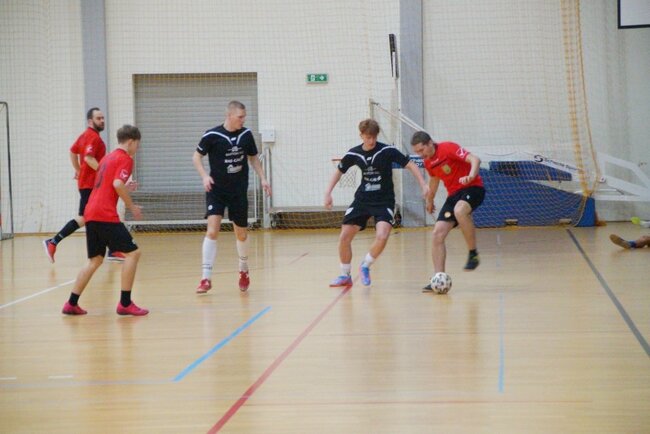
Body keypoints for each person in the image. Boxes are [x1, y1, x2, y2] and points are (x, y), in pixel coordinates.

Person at [325, 119, 429, 288]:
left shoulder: (387, 151)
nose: (371, 140)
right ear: (361, 136)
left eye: (374, 137)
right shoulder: (354, 153)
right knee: (344, 237)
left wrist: (423, 184)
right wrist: (328, 193)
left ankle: (365, 265)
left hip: (384, 201)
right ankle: (345, 275)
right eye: (368, 137)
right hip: (362, 200)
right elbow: (339, 171)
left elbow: (410, 164)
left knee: (382, 235)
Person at [62, 125, 147, 315]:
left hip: (91, 212)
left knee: (95, 259)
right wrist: (131, 206)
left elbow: (109, 183)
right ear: (131, 142)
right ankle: (125, 303)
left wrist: (126, 188)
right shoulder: (126, 159)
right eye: (137, 144)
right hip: (104, 213)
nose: (137, 148)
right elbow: (117, 183)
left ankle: (71, 303)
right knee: (133, 254)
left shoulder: (107, 158)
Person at [192, 100, 271, 294]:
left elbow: (253, 158)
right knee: (212, 231)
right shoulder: (212, 135)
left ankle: (243, 269)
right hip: (216, 190)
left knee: (241, 234)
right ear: (229, 115)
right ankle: (205, 278)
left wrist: (263, 178)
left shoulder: (246, 135)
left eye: (244, 117)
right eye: (240, 117)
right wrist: (204, 176)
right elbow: (196, 157)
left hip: (238, 191)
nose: (243, 120)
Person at [43, 108, 126, 263]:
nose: (102, 120)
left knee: (97, 215)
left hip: (88, 183)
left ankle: (112, 250)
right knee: (90, 216)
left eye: (103, 118)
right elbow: (88, 158)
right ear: (90, 121)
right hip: (91, 185)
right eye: (98, 118)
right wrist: (104, 175)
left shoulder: (85, 135)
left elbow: (73, 151)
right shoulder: (93, 137)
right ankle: (53, 242)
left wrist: (78, 170)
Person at [410, 131, 485, 291]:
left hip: (473, 187)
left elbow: (475, 160)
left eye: (422, 150)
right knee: (437, 234)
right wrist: (430, 200)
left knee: (460, 210)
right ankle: (438, 278)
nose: (420, 155)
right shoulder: (428, 162)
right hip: (454, 195)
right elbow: (434, 179)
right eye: (417, 152)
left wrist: (471, 176)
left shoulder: (448, 148)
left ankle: (473, 253)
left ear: (430, 143)